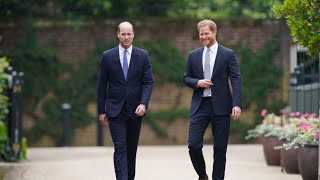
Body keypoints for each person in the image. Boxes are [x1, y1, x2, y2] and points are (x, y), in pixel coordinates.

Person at [183, 19, 242, 180]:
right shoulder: (193, 55)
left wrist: (236, 104)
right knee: (193, 145)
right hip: (200, 106)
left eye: (206, 33)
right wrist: (197, 82)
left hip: (222, 107)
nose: (203, 37)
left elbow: (236, 79)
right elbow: (186, 78)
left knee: (220, 150)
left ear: (214, 32)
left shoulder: (228, 54)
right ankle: (202, 175)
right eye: (201, 34)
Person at [97, 21, 154, 180]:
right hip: (115, 110)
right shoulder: (107, 56)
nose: (126, 37)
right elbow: (102, 85)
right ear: (118, 34)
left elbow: (148, 82)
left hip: (136, 110)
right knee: (120, 148)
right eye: (123, 34)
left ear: (133, 34)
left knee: (131, 150)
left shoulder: (143, 55)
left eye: (129, 34)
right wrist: (101, 110)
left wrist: (143, 103)